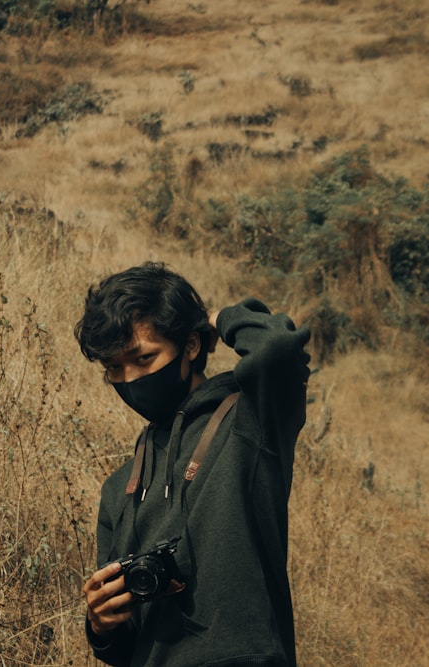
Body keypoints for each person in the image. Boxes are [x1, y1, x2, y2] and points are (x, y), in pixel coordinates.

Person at [74, 262, 311, 666]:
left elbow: (277, 347)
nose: (129, 380)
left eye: (144, 358)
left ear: (190, 347)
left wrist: (216, 319)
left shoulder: (250, 420)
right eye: (114, 368)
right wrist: (100, 625)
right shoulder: (118, 489)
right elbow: (123, 647)